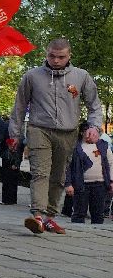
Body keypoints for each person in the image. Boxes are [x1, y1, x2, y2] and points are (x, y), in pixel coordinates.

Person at [11, 38, 103, 235]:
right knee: (40, 172)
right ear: (46, 54)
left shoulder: (81, 76)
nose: (56, 60)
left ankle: (49, 218)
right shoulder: (32, 76)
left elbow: (94, 105)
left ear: (69, 56)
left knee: (59, 176)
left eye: (61, 57)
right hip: (39, 129)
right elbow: (19, 106)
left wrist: (94, 126)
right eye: (52, 56)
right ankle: (37, 215)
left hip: (68, 132)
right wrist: (14, 134)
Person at [65, 122, 111, 225]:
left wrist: (111, 180)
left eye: (94, 130)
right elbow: (68, 166)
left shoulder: (103, 145)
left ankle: (98, 231)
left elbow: (111, 163)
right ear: (82, 132)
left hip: (100, 184)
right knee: (79, 213)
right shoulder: (75, 147)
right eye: (88, 130)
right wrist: (68, 183)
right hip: (81, 185)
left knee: (98, 214)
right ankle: (77, 230)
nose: (92, 133)